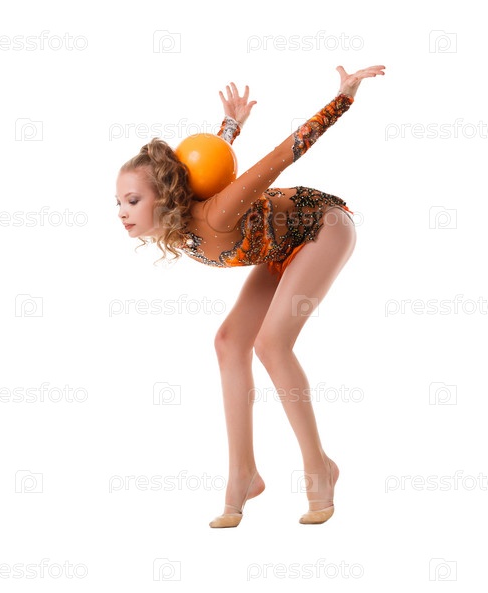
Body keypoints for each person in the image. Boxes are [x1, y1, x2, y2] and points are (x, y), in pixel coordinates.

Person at [115, 65, 385, 527]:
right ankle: (244, 475)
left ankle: (320, 469)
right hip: (279, 247)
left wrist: (343, 98)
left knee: (271, 344)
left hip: (323, 226)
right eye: (119, 203)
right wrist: (229, 128)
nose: (122, 212)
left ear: (164, 196)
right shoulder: (181, 222)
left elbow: (284, 154)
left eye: (132, 201)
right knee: (229, 342)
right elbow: (203, 166)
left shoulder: (216, 216)